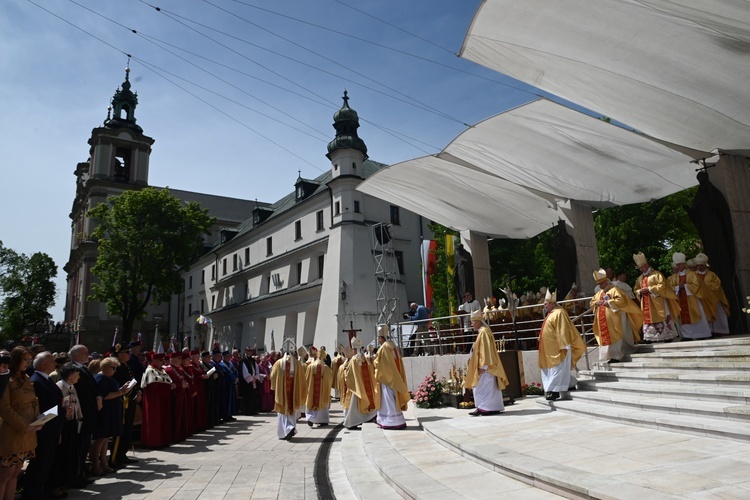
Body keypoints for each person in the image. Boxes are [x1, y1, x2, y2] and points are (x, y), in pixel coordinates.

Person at [23, 351, 66, 500]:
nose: (55, 364)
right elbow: (36, 406)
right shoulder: (36, 381)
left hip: (52, 428)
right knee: (39, 462)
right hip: (43, 429)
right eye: (52, 361)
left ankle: (41, 489)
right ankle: (31, 492)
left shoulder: (46, 380)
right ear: (43, 364)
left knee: (47, 462)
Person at [0, 347, 39, 500]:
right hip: (10, 432)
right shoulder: (5, 378)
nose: (28, 363)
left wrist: (38, 419)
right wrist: (25, 425)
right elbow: (4, 409)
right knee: (5, 474)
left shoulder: (27, 377)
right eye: (25, 360)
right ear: (15, 360)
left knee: (16, 472)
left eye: (30, 360)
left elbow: (34, 401)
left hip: (26, 433)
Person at [538, 289, 587, 401]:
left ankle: (553, 391)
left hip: (558, 347)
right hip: (549, 348)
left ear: (552, 303)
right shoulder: (552, 313)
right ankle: (570, 383)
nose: (544, 306)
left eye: (545, 304)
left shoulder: (559, 312)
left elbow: (562, 330)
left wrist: (563, 344)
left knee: (557, 369)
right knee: (556, 369)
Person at [590, 269, 643, 363]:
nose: (600, 286)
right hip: (604, 321)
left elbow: (622, 301)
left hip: (616, 320)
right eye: (598, 284)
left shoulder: (615, 290)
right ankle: (609, 355)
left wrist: (609, 302)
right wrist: (596, 303)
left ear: (606, 281)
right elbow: (592, 302)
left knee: (616, 335)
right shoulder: (599, 293)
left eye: (601, 283)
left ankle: (617, 355)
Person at [68, 344, 101, 488]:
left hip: (89, 413)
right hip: (83, 413)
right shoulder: (74, 368)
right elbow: (82, 391)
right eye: (85, 352)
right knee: (79, 446)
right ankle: (76, 476)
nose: (88, 355)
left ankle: (80, 473)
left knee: (84, 446)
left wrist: (97, 397)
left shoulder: (82, 368)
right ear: (76, 355)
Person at [464, 310, 509, 416]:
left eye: (473, 321)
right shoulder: (483, 331)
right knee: (488, 388)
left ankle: (485, 408)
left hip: (485, 367)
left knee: (482, 387)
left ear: (479, 321)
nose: (471, 324)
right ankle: (488, 407)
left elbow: (485, 350)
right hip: (487, 366)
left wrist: (483, 366)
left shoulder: (483, 332)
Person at [633, 252, 680, 343]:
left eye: (642, 267)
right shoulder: (639, 278)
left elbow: (662, 286)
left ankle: (667, 335)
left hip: (657, 301)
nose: (641, 269)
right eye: (639, 268)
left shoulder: (656, 274)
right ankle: (651, 337)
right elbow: (636, 289)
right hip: (646, 302)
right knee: (648, 318)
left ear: (647, 265)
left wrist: (650, 289)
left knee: (662, 316)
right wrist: (640, 291)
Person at [51, 363, 83, 496]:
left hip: (72, 423)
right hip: (63, 424)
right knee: (62, 454)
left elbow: (77, 404)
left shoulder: (72, 387)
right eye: (77, 374)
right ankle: (58, 484)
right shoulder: (59, 387)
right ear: (70, 375)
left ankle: (67, 481)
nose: (79, 377)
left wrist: (79, 418)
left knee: (70, 452)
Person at [92, 357, 126, 475]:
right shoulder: (101, 378)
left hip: (110, 411)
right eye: (113, 368)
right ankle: (96, 464)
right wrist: (121, 392)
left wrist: (122, 389)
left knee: (106, 438)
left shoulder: (107, 378)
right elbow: (105, 395)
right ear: (106, 367)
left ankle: (103, 463)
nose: (115, 371)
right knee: (100, 438)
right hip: (104, 412)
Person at [667, 252, 711, 340]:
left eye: (679, 265)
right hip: (680, 299)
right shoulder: (674, 277)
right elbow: (670, 288)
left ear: (684, 264)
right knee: (683, 317)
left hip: (692, 300)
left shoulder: (692, 274)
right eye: (677, 265)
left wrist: (685, 286)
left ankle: (701, 334)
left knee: (697, 314)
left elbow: (697, 286)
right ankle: (687, 335)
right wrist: (677, 287)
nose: (678, 267)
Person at [111, 343, 141, 467]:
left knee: (128, 428)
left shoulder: (125, 366)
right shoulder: (117, 367)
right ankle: (115, 457)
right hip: (123, 401)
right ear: (120, 355)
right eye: (126, 353)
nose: (129, 355)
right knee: (121, 430)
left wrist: (137, 391)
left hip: (130, 400)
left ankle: (122, 454)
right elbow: (119, 384)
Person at [374, 325, 409, 429]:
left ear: (381, 337)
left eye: (378, 338)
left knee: (388, 400)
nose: (378, 339)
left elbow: (382, 363)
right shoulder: (392, 345)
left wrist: (374, 361)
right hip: (394, 376)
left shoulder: (384, 347)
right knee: (394, 399)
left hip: (387, 378)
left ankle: (391, 422)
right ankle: (398, 420)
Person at [343, 338, 379, 430]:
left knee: (354, 406)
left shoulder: (354, 360)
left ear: (353, 348)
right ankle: (366, 418)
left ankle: (352, 422)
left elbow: (349, 374)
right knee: (363, 403)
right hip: (365, 386)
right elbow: (371, 370)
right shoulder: (365, 358)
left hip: (356, 387)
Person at [270, 350, 306, 440]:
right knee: (291, 411)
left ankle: (285, 431)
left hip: (282, 393)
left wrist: (276, 386)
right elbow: (302, 378)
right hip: (293, 393)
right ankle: (290, 428)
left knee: (282, 413)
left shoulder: (278, 363)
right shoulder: (297, 364)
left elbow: (273, 376)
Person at [140, 353, 174, 447]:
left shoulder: (161, 370)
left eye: (162, 360)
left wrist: (171, 386)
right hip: (154, 401)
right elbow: (154, 387)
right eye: (160, 360)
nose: (162, 362)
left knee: (163, 420)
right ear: (154, 360)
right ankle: (154, 442)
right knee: (155, 421)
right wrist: (169, 388)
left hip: (162, 400)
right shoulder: (150, 370)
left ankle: (163, 440)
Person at [694, 252, 731, 336]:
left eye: (701, 265)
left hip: (713, 298)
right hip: (701, 299)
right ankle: (707, 332)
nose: (700, 267)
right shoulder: (694, 275)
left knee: (718, 313)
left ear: (705, 265)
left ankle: (720, 330)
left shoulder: (711, 275)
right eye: (698, 266)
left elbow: (717, 285)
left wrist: (706, 286)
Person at [304, 347, 333, 428]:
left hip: (312, 390)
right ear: (324, 357)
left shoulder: (310, 366)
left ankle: (311, 418)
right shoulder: (326, 368)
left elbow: (306, 378)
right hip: (322, 391)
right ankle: (323, 420)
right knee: (323, 402)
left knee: (312, 401)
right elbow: (329, 380)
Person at [164, 352, 189, 442]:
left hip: (181, 396)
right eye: (179, 358)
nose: (181, 360)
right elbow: (172, 384)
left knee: (181, 416)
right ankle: (175, 435)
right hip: (175, 397)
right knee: (176, 416)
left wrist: (185, 384)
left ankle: (181, 434)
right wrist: (180, 386)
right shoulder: (169, 370)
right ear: (173, 359)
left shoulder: (179, 369)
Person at [239, 347, 260, 416]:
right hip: (247, 382)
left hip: (253, 381)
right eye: (248, 350)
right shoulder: (243, 360)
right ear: (245, 351)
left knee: (253, 396)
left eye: (251, 351)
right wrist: (251, 379)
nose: (249, 352)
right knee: (247, 396)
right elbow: (244, 371)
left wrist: (256, 377)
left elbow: (256, 369)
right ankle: (247, 411)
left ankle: (253, 410)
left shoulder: (253, 360)